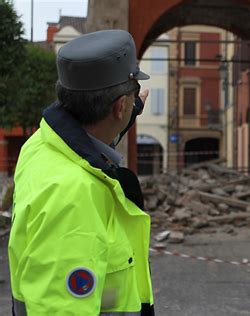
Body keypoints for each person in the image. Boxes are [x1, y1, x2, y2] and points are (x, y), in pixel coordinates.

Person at [8, 29, 155, 315]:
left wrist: (128, 112)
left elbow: (86, 140)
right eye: (133, 92)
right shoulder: (74, 197)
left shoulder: (41, 144)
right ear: (119, 106)